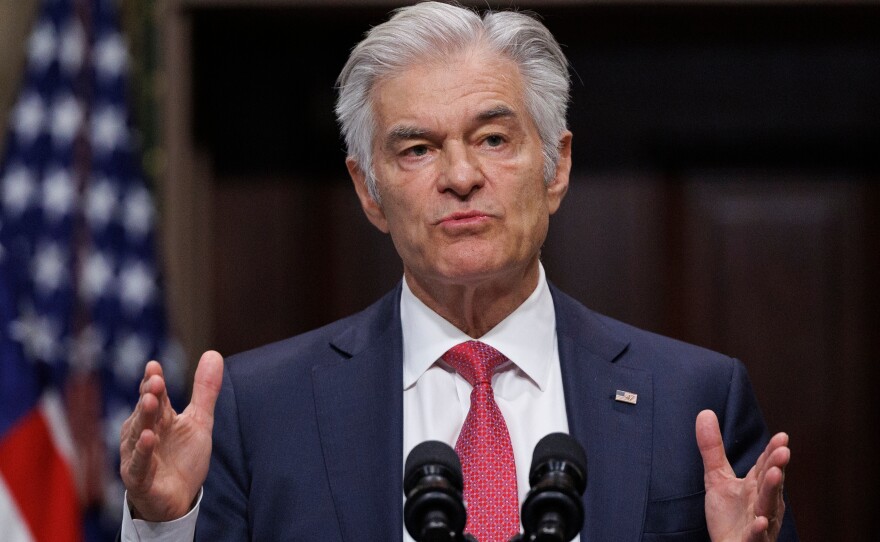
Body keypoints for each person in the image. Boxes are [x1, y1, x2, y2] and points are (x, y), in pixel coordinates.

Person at [119, 3, 797, 541]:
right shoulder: (264, 410)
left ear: (556, 167)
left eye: (493, 139)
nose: (462, 176)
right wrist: (163, 525)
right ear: (368, 191)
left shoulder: (692, 401)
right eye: (417, 149)